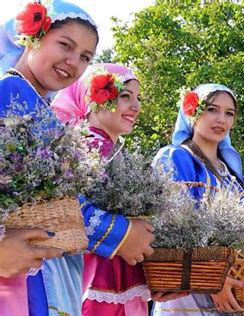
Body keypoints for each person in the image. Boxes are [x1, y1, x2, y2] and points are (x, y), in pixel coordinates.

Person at [0, 1, 98, 314]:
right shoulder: (10, 92)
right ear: (31, 36)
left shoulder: (38, 105)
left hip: (39, 271)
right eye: (65, 45)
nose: (73, 62)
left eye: (85, 57)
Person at [52, 63, 155, 315]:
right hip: (97, 274)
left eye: (137, 98)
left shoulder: (117, 151)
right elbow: (69, 210)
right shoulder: (86, 146)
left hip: (121, 273)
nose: (136, 107)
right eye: (125, 97)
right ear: (95, 98)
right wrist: (123, 233)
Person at [151, 83, 244, 315]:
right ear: (192, 111)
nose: (221, 120)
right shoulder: (175, 157)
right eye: (212, 110)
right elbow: (172, 229)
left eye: (229, 113)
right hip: (186, 293)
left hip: (228, 294)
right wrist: (212, 279)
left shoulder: (232, 174)